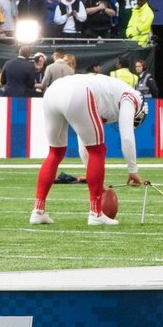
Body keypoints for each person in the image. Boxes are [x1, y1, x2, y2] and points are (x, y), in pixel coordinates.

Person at [31, 71, 145, 225]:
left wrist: (96, 182)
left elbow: (82, 148)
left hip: (52, 92)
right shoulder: (133, 97)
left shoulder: (109, 96)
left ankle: (38, 211)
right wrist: (133, 170)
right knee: (98, 150)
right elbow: (126, 137)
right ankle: (96, 214)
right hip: (77, 92)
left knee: (55, 153)